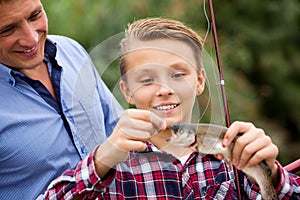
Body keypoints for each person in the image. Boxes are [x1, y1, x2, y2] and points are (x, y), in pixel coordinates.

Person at [40, 18, 300, 199]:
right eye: (146, 79)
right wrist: (102, 160)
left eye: (178, 75)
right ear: (127, 91)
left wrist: (273, 175)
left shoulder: (235, 151)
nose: (164, 89)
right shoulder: (112, 167)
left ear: (199, 81)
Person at [0, 0, 123, 199]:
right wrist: (97, 166)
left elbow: (116, 130)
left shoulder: (71, 51)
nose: (31, 39)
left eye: (35, 16)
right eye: (8, 30)